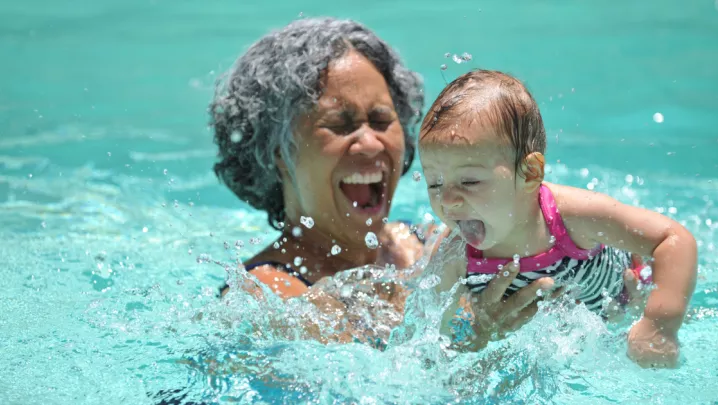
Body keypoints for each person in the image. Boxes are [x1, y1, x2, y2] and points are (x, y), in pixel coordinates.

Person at [208, 18, 643, 346]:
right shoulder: (268, 297)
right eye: (339, 125)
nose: (370, 144)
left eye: (382, 120)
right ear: (278, 154)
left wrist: (621, 301)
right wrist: (470, 344)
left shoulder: (436, 245)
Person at [418, 69, 698, 368]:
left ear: (530, 174)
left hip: (627, 298)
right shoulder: (453, 255)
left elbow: (674, 240)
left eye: (469, 182)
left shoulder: (573, 216)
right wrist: (474, 331)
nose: (447, 200)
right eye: (435, 183)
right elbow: (434, 339)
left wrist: (658, 326)